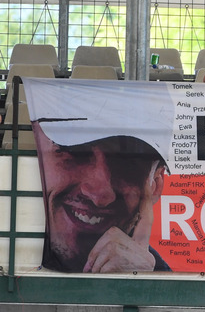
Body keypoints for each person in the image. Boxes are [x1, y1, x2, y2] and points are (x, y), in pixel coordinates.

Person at [25, 78, 176, 273]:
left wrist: (145, 283)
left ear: (155, 184)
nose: (100, 196)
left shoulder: (165, 279)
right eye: (76, 152)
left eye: (127, 163)